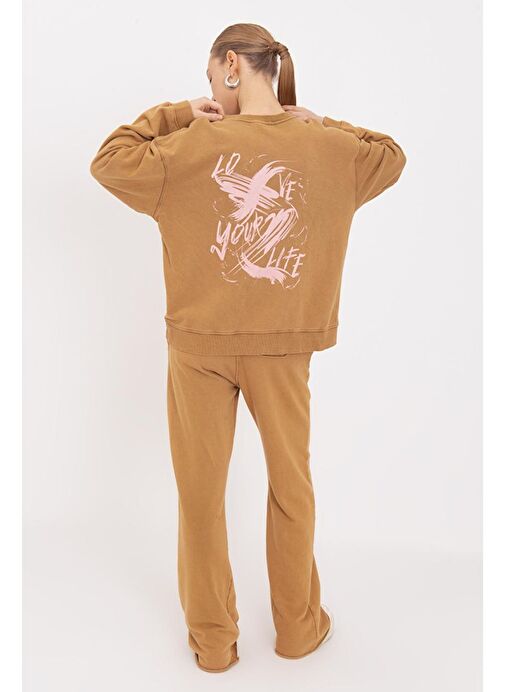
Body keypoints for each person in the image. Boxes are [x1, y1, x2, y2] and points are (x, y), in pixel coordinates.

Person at [89, 22, 407, 674]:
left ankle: (213, 646)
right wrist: (321, 122)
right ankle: (298, 630)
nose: (210, 94)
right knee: (291, 488)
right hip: (283, 353)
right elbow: (390, 154)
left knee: (199, 498)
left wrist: (181, 114)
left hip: (198, 351)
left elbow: (110, 158)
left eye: (211, 79)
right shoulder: (328, 149)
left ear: (231, 64)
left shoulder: (184, 147)